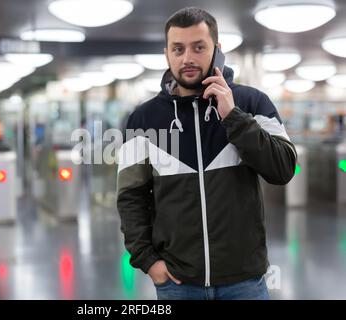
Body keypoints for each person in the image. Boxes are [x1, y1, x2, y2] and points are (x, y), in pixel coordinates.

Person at [116, 7, 297, 300]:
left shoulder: (252, 103)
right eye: (178, 49)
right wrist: (149, 262)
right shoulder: (143, 120)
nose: (187, 58)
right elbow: (130, 197)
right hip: (178, 283)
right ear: (167, 54)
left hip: (244, 282)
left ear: (217, 50)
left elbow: (283, 168)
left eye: (198, 47)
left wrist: (234, 117)